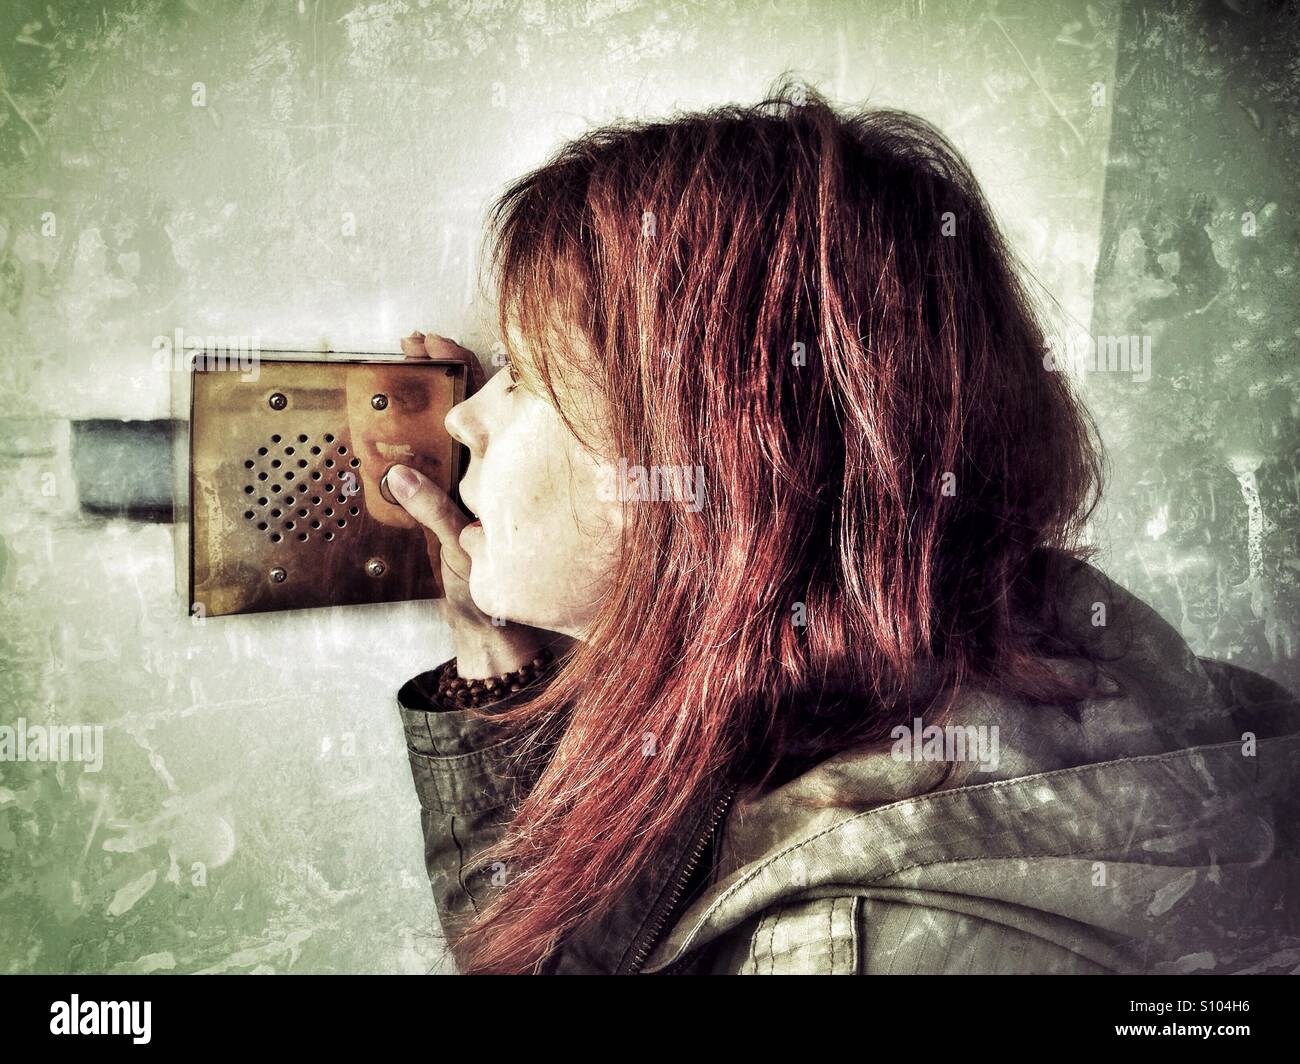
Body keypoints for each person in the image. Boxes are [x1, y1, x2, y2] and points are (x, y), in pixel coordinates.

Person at [384, 82, 1300, 975]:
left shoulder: (856, 945)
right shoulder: (880, 672)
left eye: (526, 375)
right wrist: (494, 656)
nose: (465, 420)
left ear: (729, 462)